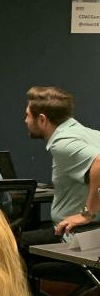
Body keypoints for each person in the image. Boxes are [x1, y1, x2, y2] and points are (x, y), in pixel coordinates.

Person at [24, 86, 100, 237]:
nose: (25, 120)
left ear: (42, 119)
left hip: (76, 234)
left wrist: (87, 214)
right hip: (92, 231)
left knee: (16, 242)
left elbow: (99, 163)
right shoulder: (91, 134)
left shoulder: (61, 142)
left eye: (28, 115)